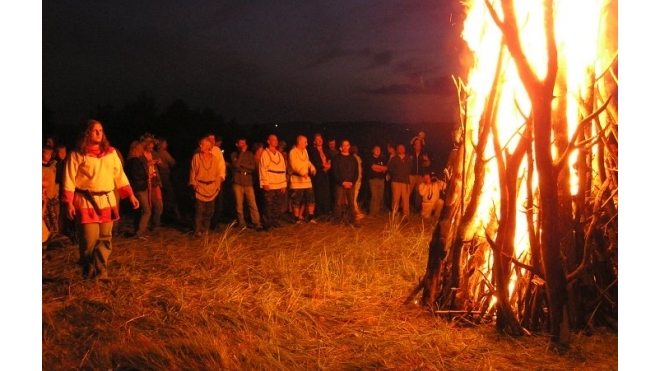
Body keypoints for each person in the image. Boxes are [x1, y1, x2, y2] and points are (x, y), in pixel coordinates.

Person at [62, 119, 139, 279]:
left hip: (107, 200)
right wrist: (68, 202)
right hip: (86, 200)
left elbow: (119, 175)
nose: (99, 133)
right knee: (89, 240)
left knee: (105, 238)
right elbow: (68, 178)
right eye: (95, 130)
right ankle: (88, 269)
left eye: (101, 130)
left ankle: (101, 271)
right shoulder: (77, 154)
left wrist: (130, 194)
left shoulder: (110, 153)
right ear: (86, 133)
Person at [189, 137, 224, 237]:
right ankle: (197, 230)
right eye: (200, 144)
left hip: (211, 188)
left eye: (202, 144)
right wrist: (194, 184)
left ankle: (206, 229)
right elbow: (193, 171)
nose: (200, 146)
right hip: (200, 187)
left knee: (209, 211)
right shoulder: (196, 157)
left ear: (208, 147)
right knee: (199, 211)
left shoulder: (214, 159)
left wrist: (217, 185)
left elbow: (218, 173)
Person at [230, 137, 263, 230]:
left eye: (244, 143)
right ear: (237, 145)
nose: (243, 145)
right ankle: (241, 223)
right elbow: (236, 165)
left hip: (248, 182)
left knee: (252, 203)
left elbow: (252, 167)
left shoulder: (250, 154)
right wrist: (242, 153)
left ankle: (256, 222)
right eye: (241, 144)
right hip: (238, 181)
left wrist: (242, 165)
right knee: (239, 204)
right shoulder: (234, 154)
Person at [259, 134, 288, 229]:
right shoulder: (265, 153)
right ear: (268, 141)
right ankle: (267, 223)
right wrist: (265, 183)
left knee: (277, 203)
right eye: (273, 139)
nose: (276, 141)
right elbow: (263, 169)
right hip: (270, 183)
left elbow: (283, 170)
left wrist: (283, 184)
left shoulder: (279, 154)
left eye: (276, 139)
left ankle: (275, 221)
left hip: (279, 184)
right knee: (268, 204)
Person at [288, 135, 317, 223]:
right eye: (305, 142)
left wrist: (312, 167)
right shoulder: (293, 152)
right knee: (296, 200)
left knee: (311, 198)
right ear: (299, 142)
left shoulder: (305, 151)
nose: (307, 144)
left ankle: (311, 218)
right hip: (297, 180)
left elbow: (307, 161)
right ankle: (297, 219)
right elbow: (294, 164)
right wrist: (302, 172)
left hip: (306, 180)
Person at [332, 140, 359, 226]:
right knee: (338, 203)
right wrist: (342, 182)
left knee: (351, 203)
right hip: (340, 184)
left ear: (349, 146)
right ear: (341, 147)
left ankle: (352, 221)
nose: (345, 147)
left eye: (347, 145)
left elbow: (356, 172)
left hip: (351, 184)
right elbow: (335, 172)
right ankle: (337, 222)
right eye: (344, 145)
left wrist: (352, 182)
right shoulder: (336, 158)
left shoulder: (353, 158)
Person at [156, 137, 182, 223]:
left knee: (161, 197)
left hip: (159, 177)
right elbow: (172, 162)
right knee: (171, 195)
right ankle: (176, 216)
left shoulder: (155, 153)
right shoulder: (164, 153)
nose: (166, 144)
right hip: (165, 176)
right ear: (161, 144)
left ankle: (161, 216)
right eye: (165, 143)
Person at [309, 133, 332, 218]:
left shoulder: (326, 150)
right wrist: (325, 166)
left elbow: (329, 159)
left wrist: (328, 165)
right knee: (319, 194)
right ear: (314, 141)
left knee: (326, 194)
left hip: (326, 175)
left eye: (321, 138)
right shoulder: (313, 151)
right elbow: (316, 163)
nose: (320, 140)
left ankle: (326, 213)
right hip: (318, 176)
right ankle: (319, 214)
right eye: (317, 139)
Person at [208, 134, 227, 229]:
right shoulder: (201, 151)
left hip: (218, 180)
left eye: (213, 139)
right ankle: (206, 224)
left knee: (219, 204)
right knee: (208, 204)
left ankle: (214, 224)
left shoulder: (217, 150)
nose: (212, 141)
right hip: (207, 182)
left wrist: (221, 176)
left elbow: (221, 164)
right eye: (209, 139)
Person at [388, 143, 412, 218]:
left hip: (405, 182)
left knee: (405, 199)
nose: (401, 149)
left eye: (403, 148)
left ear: (404, 149)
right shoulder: (394, 159)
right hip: (396, 181)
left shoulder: (408, 159)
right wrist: (396, 175)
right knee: (396, 198)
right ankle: (394, 214)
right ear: (397, 150)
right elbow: (390, 169)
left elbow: (410, 168)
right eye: (400, 148)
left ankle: (406, 215)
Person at [409, 138, 431, 213]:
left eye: (419, 145)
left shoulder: (423, 155)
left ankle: (417, 209)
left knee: (419, 192)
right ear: (414, 146)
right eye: (417, 145)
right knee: (408, 191)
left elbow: (427, 165)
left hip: (420, 176)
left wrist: (427, 160)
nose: (418, 146)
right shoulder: (410, 154)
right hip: (411, 175)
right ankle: (405, 207)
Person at [365, 144, 388, 216]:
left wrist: (379, 168)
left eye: (379, 150)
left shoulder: (382, 159)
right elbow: (373, 167)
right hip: (373, 179)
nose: (378, 151)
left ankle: (377, 212)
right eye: (376, 149)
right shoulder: (370, 158)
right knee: (374, 196)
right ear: (373, 150)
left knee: (380, 196)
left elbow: (386, 168)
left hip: (381, 180)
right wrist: (381, 168)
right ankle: (372, 213)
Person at [42, 145, 60, 236]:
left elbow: (54, 180)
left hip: (53, 196)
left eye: (50, 154)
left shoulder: (52, 166)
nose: (48, 156)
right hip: (44, 197)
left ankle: (56, 236)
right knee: (46, 219)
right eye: (46, 154)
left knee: (55, 218)